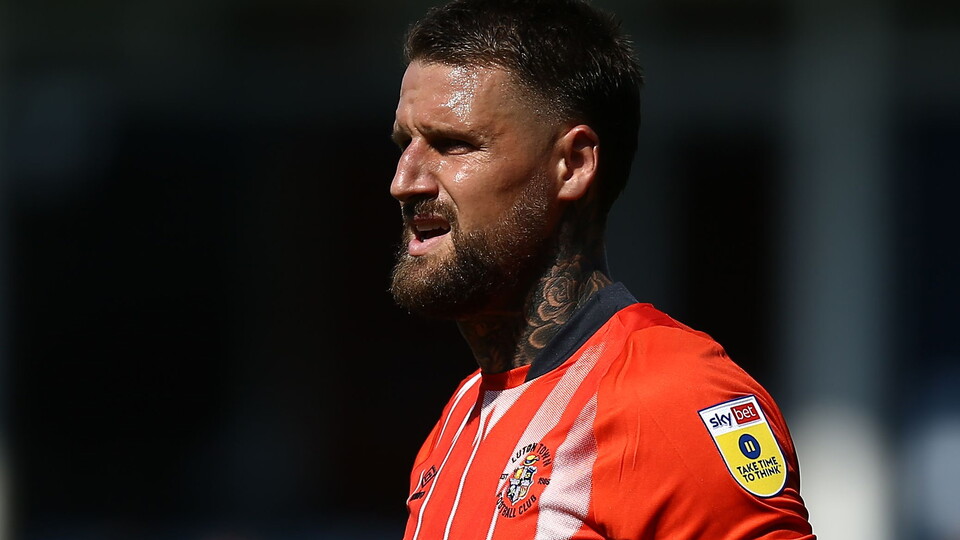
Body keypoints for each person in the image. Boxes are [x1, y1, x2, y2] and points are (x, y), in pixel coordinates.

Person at [388, 0, 815, 538]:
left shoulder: (676, 397)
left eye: (453, 144)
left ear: (573, 165)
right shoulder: (461, 414)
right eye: (405, 144)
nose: (405, 181)